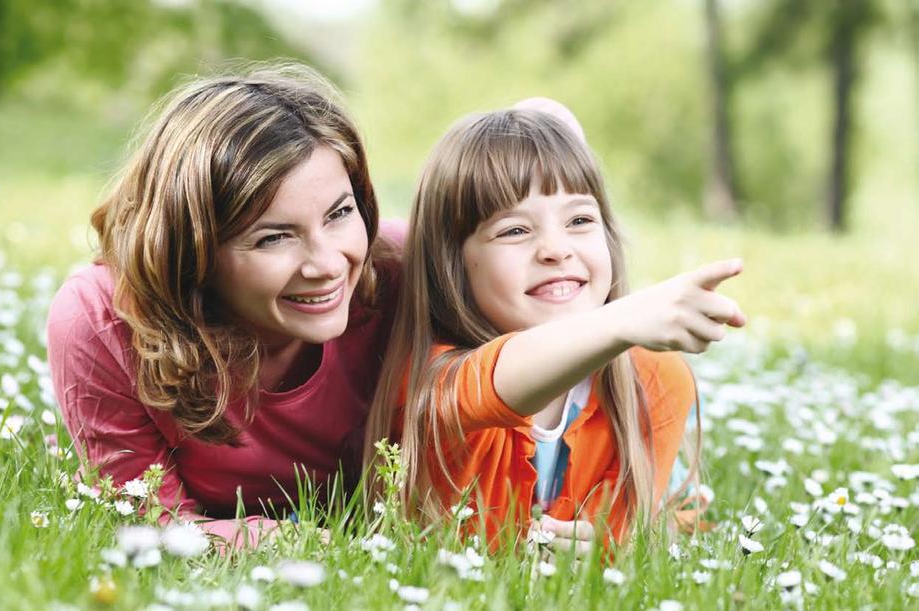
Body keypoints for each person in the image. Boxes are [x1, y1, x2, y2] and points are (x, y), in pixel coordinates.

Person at [46, 64, 404, 548]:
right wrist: (295, 543)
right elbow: (152, 524)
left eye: (340, 213)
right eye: (273, 237)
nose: (327, 264)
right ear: (192, 251)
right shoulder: (102, 319)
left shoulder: (399, 273)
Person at [364, 108, 746, 552]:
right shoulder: (432, 381)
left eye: (580, 221)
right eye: (514, 230)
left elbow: (621, 540)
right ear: (452, 265)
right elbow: (498, 382)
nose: (555, 249)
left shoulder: (654, 379)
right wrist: (620, 319)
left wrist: (603, 552)